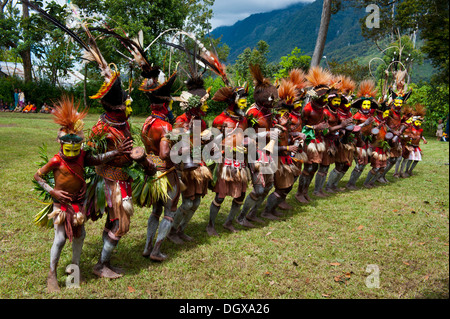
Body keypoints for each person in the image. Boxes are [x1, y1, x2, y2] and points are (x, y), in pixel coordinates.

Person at [34, 96, 132, 292]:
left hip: (79, 202)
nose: (72, 152)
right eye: (68, 147)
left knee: (80, 235)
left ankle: (74, 271)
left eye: (75, 147)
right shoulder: (56, 160)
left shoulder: (83, 156)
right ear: (61, 143)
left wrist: (115, 152)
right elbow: (38, 176)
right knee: (60, 239)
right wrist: (53, 191)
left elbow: (97, 159)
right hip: (61, 204)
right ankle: (52, 274)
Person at [139, 71, 181, 261]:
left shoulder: (147, 122)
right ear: (165, 104)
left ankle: (147, 247)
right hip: (166, 174)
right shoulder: (164, 125)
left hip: (152, 172)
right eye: (170, 104)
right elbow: (165, 153)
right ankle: (156, 251)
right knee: (169, 212)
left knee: (156, 211)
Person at [168, 74, 213, 244]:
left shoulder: (201, 121)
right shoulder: (181, 120)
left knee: (196, 202)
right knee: (187, 203)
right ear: (195, 104)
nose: (206, 106)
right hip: (186, 166)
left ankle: (181, 230)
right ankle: (172, 231)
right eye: (204, 103)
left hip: (199, 163)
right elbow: (176, 144)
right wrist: (189, 133)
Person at [238, 63, 280, 226]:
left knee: (269, 185)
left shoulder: (269, 112)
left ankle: (252, 213)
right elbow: (245, 135)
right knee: (259, 188)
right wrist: (267, 134)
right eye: (271, 99)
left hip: (269, 152)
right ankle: (241, 216)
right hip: (255, 153)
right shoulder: (252, 112)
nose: (273, 102)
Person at [208, 84, 250, 235]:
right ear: (234, 101)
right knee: (220, 196)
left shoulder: (244, 120)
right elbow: (212, 144)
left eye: (246, 101)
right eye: (243, 101)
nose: (245, 104)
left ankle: (229, 221)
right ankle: (210, 225)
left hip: (241, 162)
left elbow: (245, 137)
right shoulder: (220, 120)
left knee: (241, 195)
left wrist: (247, 144)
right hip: (225, 162)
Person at [295, 66, 332, 203]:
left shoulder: (323, 108)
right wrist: (316, 127)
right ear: (318, 96)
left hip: (319, 140)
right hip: (309, 141)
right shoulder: (307, 109)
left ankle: (305, 192)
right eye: (325, 96)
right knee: (309, 167)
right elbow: (303, 127)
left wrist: (325, 127)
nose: (327, 98)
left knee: (315, 167)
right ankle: (299, 193)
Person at [345, 80, 377, 190]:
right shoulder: (357, 115)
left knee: (363, 164)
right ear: (361, 105)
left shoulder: (371, 116)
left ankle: (352, 183)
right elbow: (353, 128)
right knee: (359, 164)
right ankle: (350, 183)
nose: (367, 106)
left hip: (366, 143)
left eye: (369, 104)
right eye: (365, 104)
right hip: (357, 143)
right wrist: (364, 124)